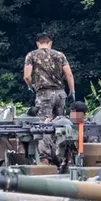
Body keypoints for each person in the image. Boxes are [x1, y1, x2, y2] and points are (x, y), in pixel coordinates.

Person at [25, 33, 75, 166]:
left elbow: (27, 76)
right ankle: (62, 157)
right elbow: (69, 74)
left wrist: (31, 86)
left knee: (43, 126)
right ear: (50, 43)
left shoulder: (32, 55)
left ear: (37, 43)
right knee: (60, 124)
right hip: (60, 94)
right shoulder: (60, 55)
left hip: (44, 94)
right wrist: (72, 91)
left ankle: (45, 158)